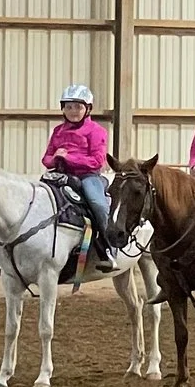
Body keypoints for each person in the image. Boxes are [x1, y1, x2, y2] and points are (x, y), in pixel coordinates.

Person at [43, 84, 114, 262]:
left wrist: (69, 158)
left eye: (78, 107)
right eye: (69, 107)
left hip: (87, 176)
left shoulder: (97, 131)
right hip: (60, 175)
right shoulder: (58, 131)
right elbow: (46, 158)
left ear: (88, 109)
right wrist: (55, 160)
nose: (73, 111)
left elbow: (97, 161)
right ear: (63, 109)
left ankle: (109, 247)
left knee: (98, 203)